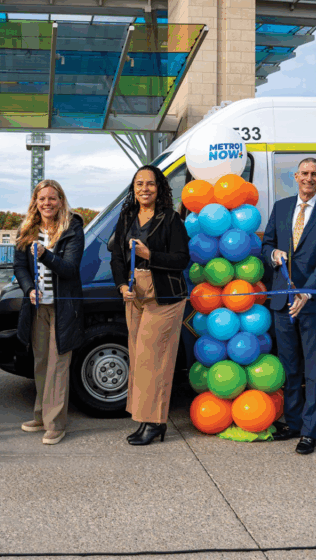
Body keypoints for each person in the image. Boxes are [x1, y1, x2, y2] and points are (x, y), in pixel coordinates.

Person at [262, 158, 316, 455]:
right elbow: (266, 244)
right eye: (304, 174)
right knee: (289, 368)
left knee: (313, 370)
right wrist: (272, 253)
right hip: (281, 300)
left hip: (312, 303)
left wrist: (307, 293)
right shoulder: (282, 207)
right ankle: (295, 422)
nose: (308, 179)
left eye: (314, 174)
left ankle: (310, 432)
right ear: (296, 177)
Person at [109, 165, 190, 445]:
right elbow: (117, 257)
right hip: (135, 295)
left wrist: (149, 254)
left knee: (153, 359)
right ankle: (146, 420)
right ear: (133, 188)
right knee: (138, 357)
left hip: (164, 297)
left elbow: (182, 260)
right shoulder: (127, 216)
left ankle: (155, 422)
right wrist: (121, 285)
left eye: (150, 184)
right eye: (139, 183)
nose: (145, 188)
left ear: (160, 188)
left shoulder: (171, 219)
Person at [13, 180, 85, 446]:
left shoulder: (72, 229)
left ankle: (56, 424)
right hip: (36, 308)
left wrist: (44, 255)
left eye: (52, 198)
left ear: (60, 200)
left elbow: (70, 269)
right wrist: (29, 288)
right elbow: (19, 266)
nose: (47, 203)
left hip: (63, 308)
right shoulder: (26, 229)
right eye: (42, 199)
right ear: (35, 202)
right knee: (41, 362)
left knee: (59, 364)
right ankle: (42, 416)